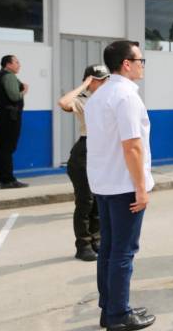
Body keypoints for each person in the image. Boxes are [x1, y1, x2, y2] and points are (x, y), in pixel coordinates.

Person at [86, 40, 156, 330]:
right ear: (126, 64)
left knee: (109, 250)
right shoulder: (126, 96)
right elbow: (132, 147)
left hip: (104, 184)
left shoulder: (98, 96)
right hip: (124, 186)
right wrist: (141, 188)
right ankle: (118, 315)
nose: (142, 65)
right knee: (123, 253)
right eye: (140, 60)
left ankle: (109, 308)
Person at [58, 64, 110, 262]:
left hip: (102, 151)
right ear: (89, 80)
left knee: (98, 199)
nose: (104, 82)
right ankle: (83, 245)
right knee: (85, 201)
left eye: (105, 79)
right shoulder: (81, 100)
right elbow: (63, 102)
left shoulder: (108, 99)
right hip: (84, 151)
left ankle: (96, 239)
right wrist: (85, 85)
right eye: (99, 79)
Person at [0, 55, 29, 188]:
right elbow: (14, 96)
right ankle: (8, 180)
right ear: (8, 64)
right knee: (8, 148)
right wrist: (24, 90)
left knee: (0, 147)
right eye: (16, 62)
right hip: (10, 117)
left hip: (1, 115)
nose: (19, 65)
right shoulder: (9, 76)